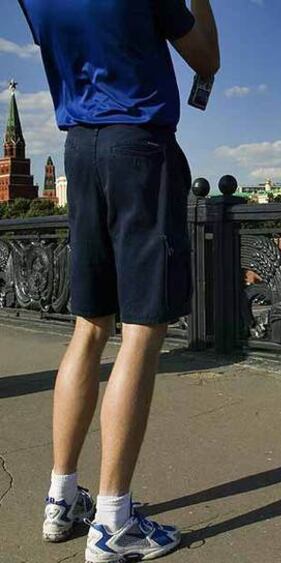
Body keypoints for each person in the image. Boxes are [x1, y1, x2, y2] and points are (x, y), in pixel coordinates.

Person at [18, 0, 220, 561]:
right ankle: (113, 522)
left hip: (80, 149)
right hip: (139, 148)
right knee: (141, 331)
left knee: (88, 327)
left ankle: (62, 500)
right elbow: (207, 57)